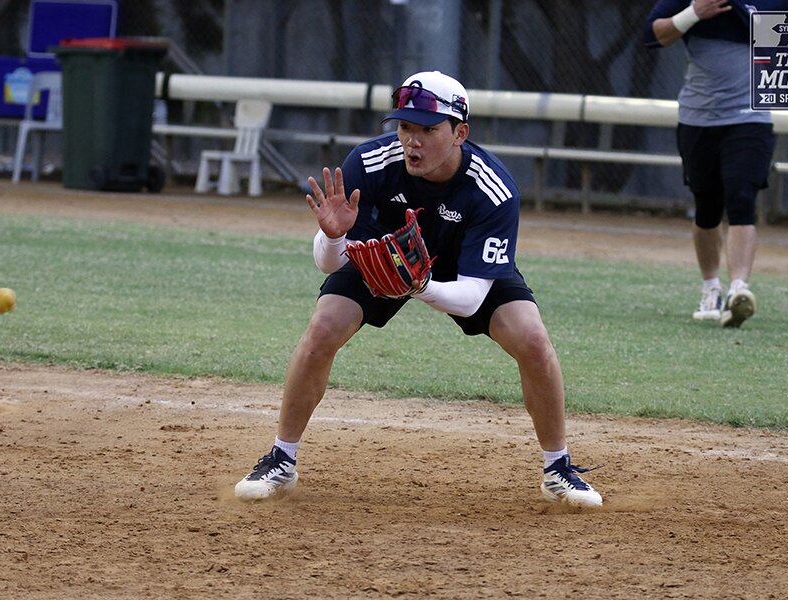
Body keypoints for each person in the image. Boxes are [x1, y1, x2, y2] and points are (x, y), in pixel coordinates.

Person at [234, 70, 602, 508]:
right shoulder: (368, 164)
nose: (413, 140)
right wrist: (333, 237)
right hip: (383, 251)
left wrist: (421, 284)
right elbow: (330, 263)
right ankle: (281, 459)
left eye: (428, 130)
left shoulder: (493, 189)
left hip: (461, 265)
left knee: (534, 341)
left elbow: (469, 297)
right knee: (322, 330)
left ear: (460, 132)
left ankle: (558, 469)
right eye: (406, 127)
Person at [645, 0, 788, 327]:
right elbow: (654, 34)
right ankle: (711, 287)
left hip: (751, 118)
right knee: (707, 208)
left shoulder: (771, 2)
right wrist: (694, 13)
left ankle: (739, 289)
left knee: (742, 199)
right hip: (698, 119)